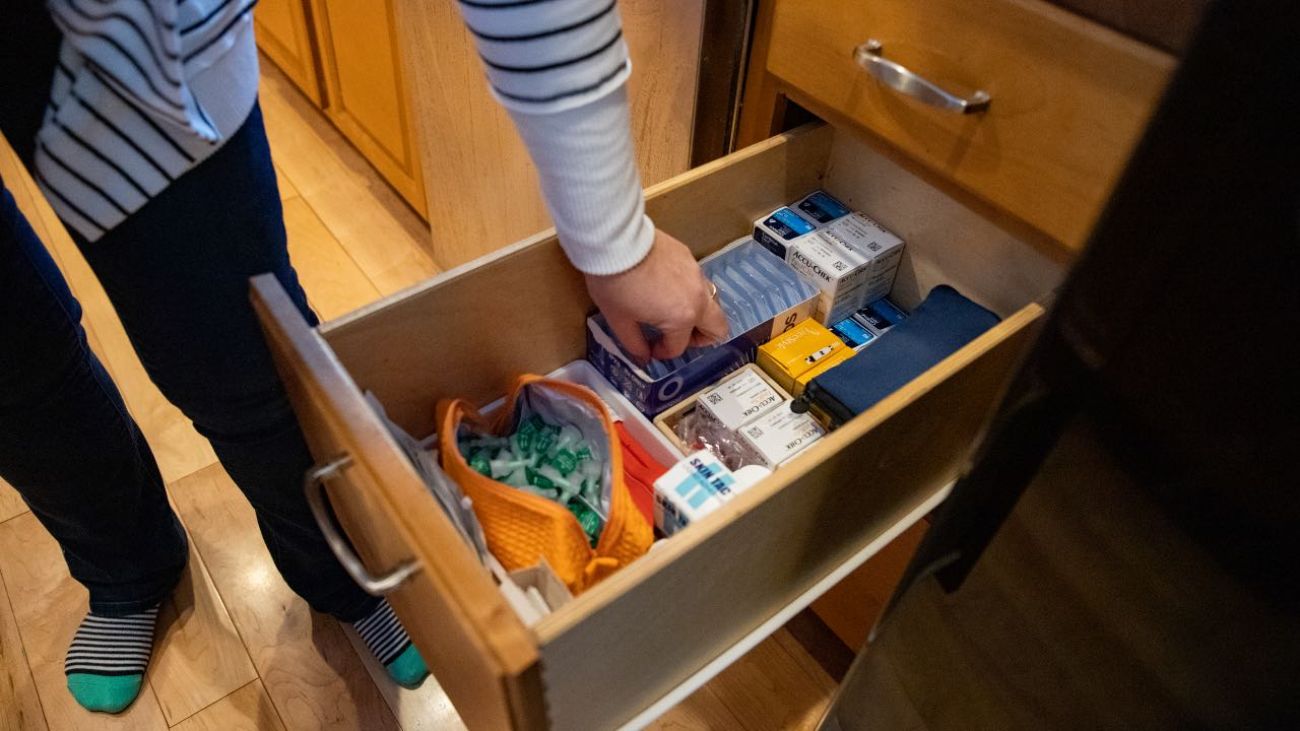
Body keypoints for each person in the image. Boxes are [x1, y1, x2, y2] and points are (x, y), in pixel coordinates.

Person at [0, 0, 727, 714]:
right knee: (11, 378)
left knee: (249, 367)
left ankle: (345, 576)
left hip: (144, 66)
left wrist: (615, 238)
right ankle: (123, 563)